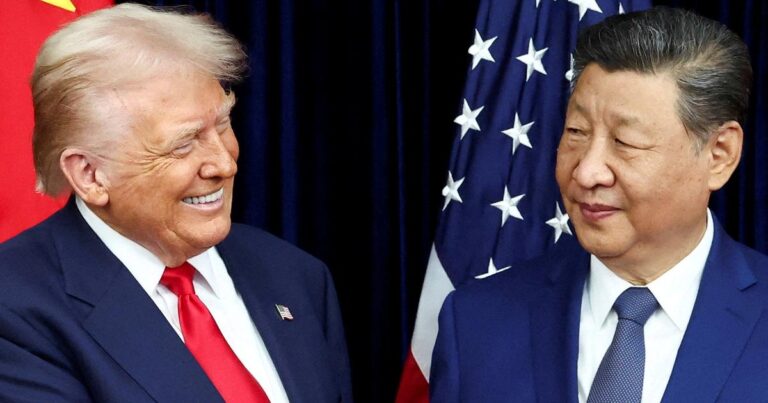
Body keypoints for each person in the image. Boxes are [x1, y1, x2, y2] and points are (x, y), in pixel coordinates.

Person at [0, 4, 352, 402]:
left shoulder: (295, 276)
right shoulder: (14, 311)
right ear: (90, 175)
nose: (224, 164)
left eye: (223, 125)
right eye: (183, 144)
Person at [430, 7, 766, 403]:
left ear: (719, 155)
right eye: (576, 131)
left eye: (625, 142)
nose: (587, 172)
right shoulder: (475, 322)